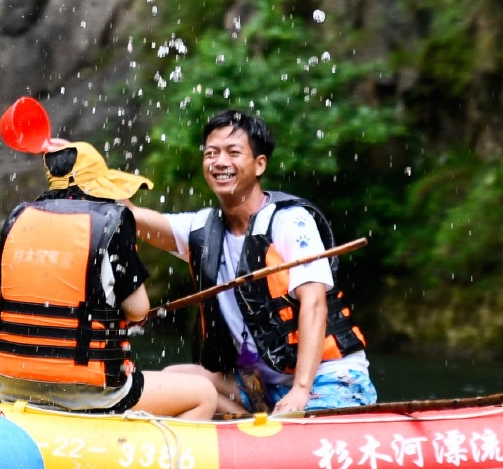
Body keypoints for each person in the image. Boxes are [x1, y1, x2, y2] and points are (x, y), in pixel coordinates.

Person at [132, 109, 375, 416]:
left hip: (326, 380)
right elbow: (133, 218)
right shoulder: (204, 230)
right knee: (174, 381)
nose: (220, 162)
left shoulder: (290, 221)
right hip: (259, 385)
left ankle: (267, 424)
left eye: (233, 153)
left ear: (260, 164)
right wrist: (86, 181)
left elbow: (314, 305)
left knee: (297, 406)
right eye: (211, 153)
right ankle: (248, 425)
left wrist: (300, 392)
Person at [0, 140, 219, 419]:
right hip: (90, 390)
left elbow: (3, 299)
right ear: (98, 187)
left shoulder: (19, 221)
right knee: (204, 395)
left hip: (12, 385)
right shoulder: (111, 223)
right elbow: (138, 309)